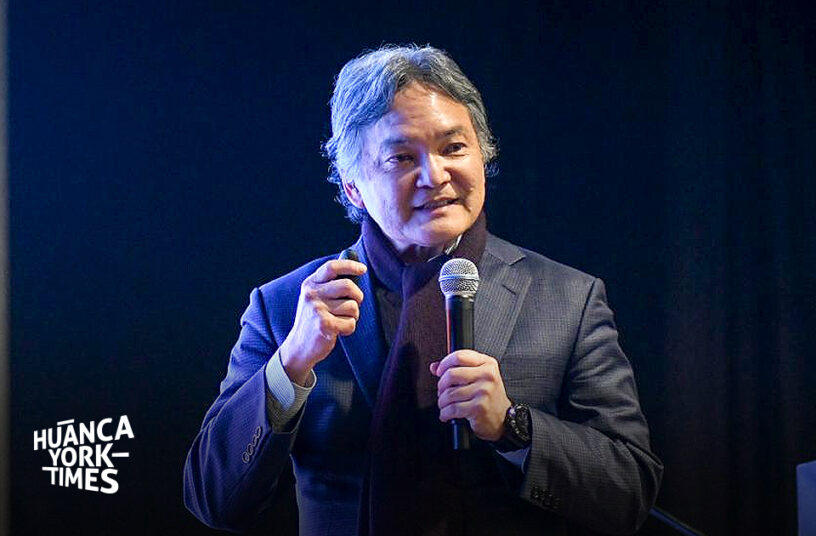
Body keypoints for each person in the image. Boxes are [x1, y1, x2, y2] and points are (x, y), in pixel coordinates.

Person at [183, 44, 662, 536]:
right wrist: (291, 363)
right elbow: (212, 499)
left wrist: (512, 426)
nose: (436, 176)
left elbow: (630, 492)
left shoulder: (568, 299)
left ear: (483, 154)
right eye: (402, 157)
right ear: (352, 187)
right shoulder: (286, 306)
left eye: (454, 148)